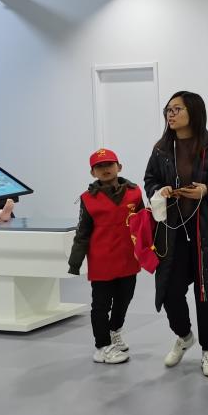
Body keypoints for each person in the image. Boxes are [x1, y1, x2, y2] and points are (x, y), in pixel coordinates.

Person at [145, 91, 208, 378]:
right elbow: (150, 180)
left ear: (194, 112)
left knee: (206, 292)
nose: (170, 114)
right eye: (168, 109)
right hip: (173, 231)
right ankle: (184, 335)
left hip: (207, 231)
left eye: (177, 109)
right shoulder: (162, 149)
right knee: (169, 290)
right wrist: (159, 190)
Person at [68, 148, 143, 365]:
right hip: (102, 260)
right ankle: (102, 347)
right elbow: (82, 232)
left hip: (128, 257)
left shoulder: (135, 193)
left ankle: (114, 330)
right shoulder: (87, 199)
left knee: (124, 299)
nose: (105, 169)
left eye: (109, 164)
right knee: (101, 305)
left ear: (119, 167)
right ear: (93, 173)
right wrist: (75, 262)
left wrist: (152, 250)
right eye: (99, 166)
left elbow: (143, 224)